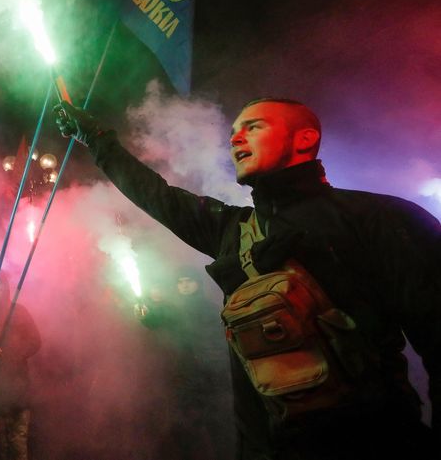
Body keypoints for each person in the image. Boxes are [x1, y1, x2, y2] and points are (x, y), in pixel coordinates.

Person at [57, 97, 441, 458]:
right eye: (233, 132)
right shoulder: (232, 230)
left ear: (304, 139)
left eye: (253, 127)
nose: (236, 137)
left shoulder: (380, 218)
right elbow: (157, 196)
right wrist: (96, 137)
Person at [134, 275, 232, 460]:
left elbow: (217, 339)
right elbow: (160, 318)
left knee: (217, 424)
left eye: (189, 281)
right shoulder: (177, 308)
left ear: (197, 284)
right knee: (186, 425)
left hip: (211, 374)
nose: (184, 285)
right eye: (180, 281)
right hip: (189, 375)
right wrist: (146, 317)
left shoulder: (208, 308)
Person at [0, 268, 41, 460]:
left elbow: (35, 341)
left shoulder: (19, 311)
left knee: (16, 447)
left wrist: (11, 353)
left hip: (17, 390)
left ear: (6, 290)